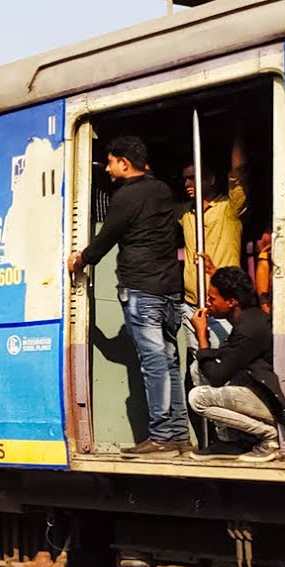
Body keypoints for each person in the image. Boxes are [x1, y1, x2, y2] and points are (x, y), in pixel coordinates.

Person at [68, 136, 187, 457]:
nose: (106, 169)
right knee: (169, 361)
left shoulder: (125, 197)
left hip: (143, 290)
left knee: (153, 363)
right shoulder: (162, 190)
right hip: (169, 291)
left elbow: (106, 239)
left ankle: (162, 436)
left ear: (124, 162)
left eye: (109, 162)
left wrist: (80, 259)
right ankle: (178, 435)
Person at [188, 267, 285, 462]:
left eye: (212, 299)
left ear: (231, 302)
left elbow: (217, 376)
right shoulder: (249, 317)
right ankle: (234, 441)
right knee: (197, 368)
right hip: (259, 391)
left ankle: (269, 436)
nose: (208, 303)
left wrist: (201, 335)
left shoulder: (248, 329)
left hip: (273, 404)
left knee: (197, 398)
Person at [179, 136, 247, 351]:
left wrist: (238, 131)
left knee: (224, 364)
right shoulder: (185, 213)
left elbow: (238, 171)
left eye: (193, 178)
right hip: (192, 304)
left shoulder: (229, 208)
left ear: (211, 180)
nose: (187, 184)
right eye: (185, 179)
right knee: (199, 365)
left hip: (223, 305)